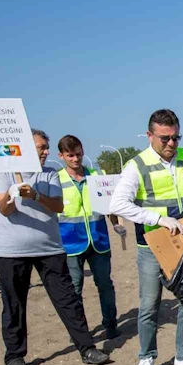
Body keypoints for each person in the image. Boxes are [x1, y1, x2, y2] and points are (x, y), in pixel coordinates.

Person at [110, 109, 183, 365]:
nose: (171, 144)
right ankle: (146, 358)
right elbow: (118, 204)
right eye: (164, 138)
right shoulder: (137, 165)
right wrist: (158, 219)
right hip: (152, 246)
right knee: (150, 304)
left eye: (175, 137)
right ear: (149, 135)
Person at [0, 129, 110, 365]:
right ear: (24, 148)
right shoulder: (2, 172)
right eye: (41, 147)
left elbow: (57, 205)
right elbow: (3, 209)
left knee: (67, 300)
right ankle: (14, 356)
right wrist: (13, 194)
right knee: (14, 304)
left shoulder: (50, 175)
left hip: (49, 248)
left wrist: (35, 195)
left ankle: (87, 348)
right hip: (12, 251)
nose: (45, 152)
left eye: (46, 147)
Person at [56, 135, 122, 340]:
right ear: (61, 156)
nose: (75, 159)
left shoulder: (97, 175)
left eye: (78, 154)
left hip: (99, 240)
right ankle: (79, 330)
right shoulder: (56, 180)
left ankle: (110, 323)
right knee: (74, 289)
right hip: (70, 243)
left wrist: (115, 223)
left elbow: (108, 204)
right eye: (70, 155)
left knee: (105, 284)